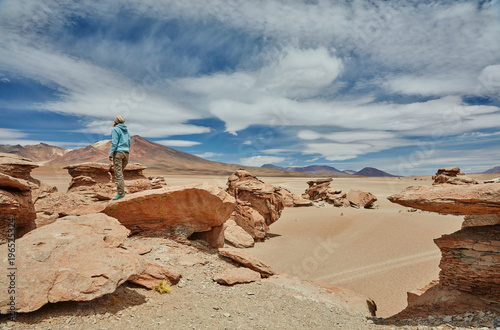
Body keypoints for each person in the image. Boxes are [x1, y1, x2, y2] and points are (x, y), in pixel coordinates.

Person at [109, 115, 131, 200]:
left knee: (118, 174)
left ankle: (121, 193)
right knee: (120, 173)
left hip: (118, 153)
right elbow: (129, 142)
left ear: (116, 121)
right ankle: (121, 191)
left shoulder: (115, 129)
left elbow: (114, 142)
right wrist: (126, 150)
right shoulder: (126, 130)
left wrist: (111, 154)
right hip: (126, 153)